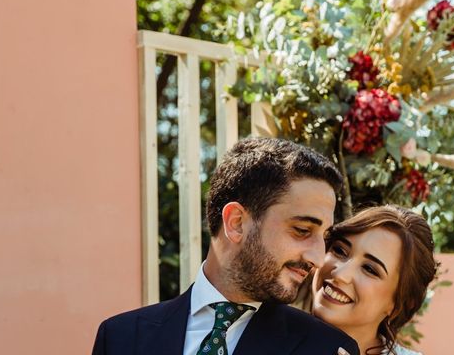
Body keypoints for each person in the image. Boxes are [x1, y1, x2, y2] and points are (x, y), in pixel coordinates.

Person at [92, 137, 359, 355]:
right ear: (236, 222)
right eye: (302, 230)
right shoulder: (119, 338)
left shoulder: (326, 349)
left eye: (322, 237)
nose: (317, 257)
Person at [311, 205, 437, 355]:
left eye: (369, 269)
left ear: (398, 304)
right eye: (339, 250)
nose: (340, 274)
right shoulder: (277, 332)